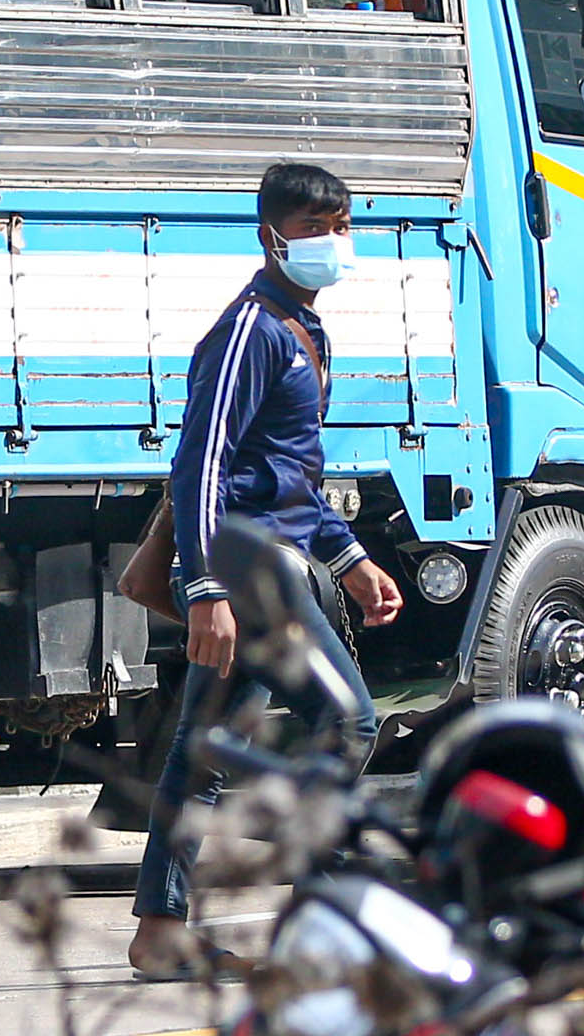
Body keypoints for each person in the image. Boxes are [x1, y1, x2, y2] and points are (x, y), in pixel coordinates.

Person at [128, 160, 405, 980]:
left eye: (341, 226)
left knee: (205, 747)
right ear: (271, 237)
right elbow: (200, 467)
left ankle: (159, 931)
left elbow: (291, 476)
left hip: (275, 552)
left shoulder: (302, 331)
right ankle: (319, 920)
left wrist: (350, 559)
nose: (333, 243)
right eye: (315, 229)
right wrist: (207, 587)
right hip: (242, 561)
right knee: (349, 719)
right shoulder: (249, 330)